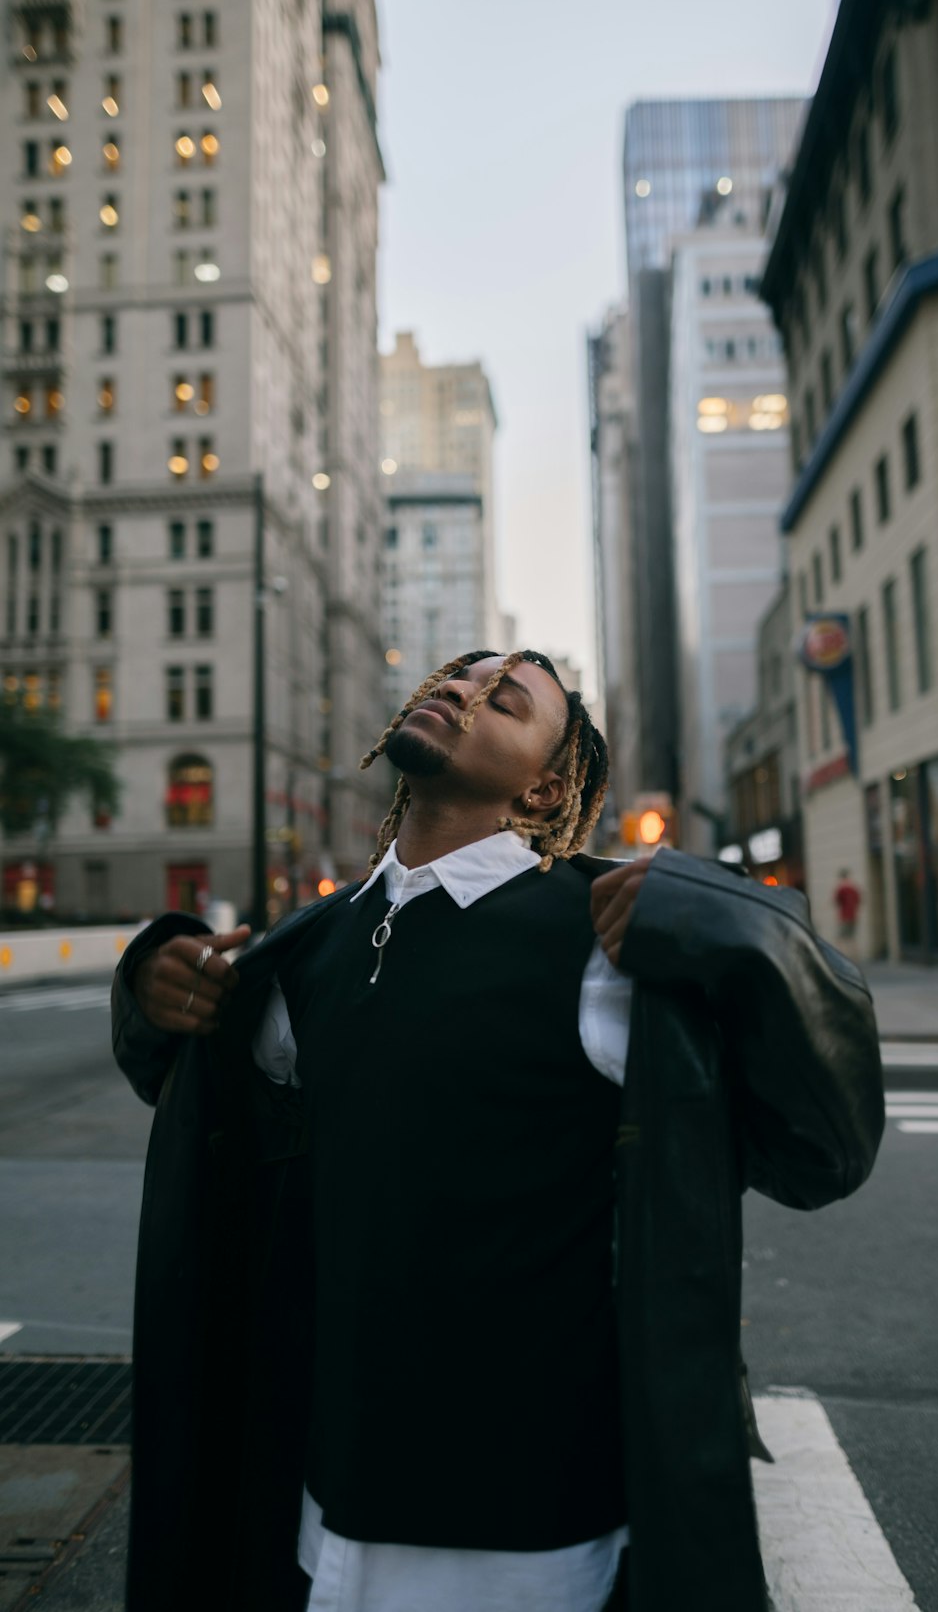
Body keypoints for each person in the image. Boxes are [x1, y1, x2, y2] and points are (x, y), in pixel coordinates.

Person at [112, 649, 884, 1612]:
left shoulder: (603, 943)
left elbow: (826, 1143)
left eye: (503, 700)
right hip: (326, 1484)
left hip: (525, 1512)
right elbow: (209, 1118)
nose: (460, 691)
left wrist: (729, 921)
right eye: (453, 677)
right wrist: (153, 986)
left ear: (547, 782)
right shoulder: (309, 948)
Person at [833, 868, 863, 956]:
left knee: (840, 938)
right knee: (852, 938)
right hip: (853, 916)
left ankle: (843, 957)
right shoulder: (854, 888)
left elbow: (836, 901)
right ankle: (855, 956)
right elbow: (859, 900)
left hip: (844, 916)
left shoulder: (841, 889)